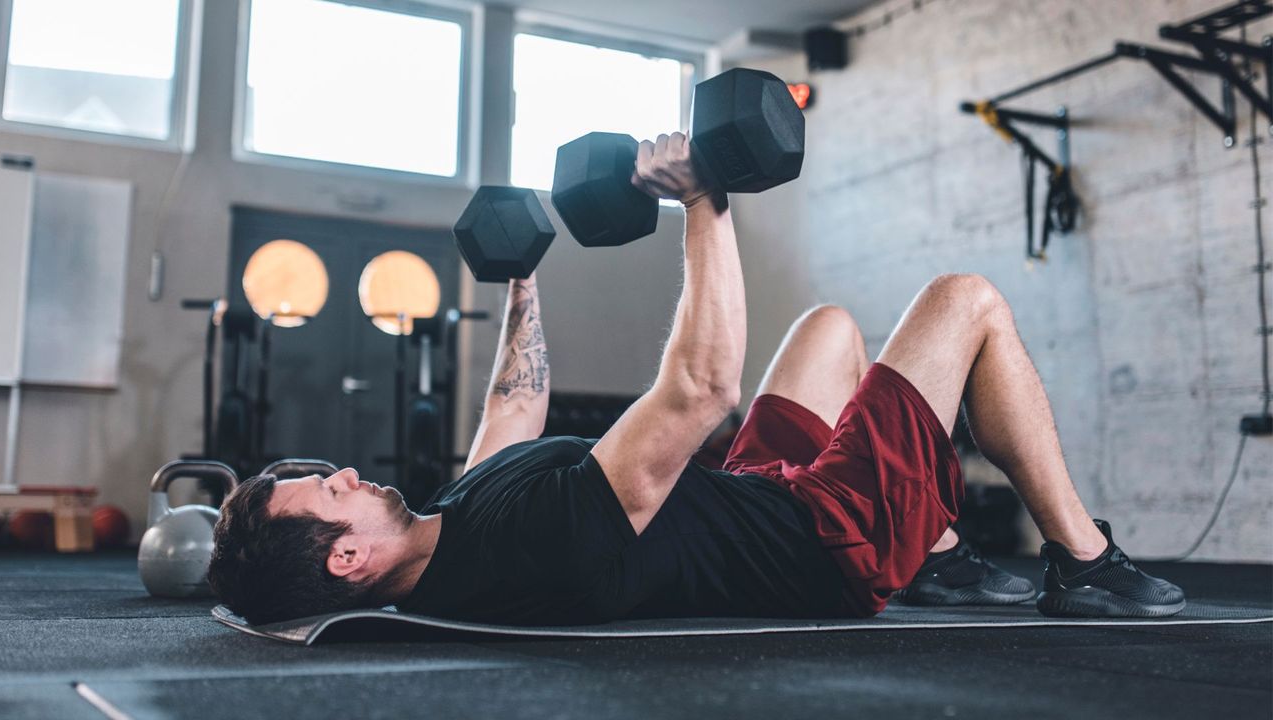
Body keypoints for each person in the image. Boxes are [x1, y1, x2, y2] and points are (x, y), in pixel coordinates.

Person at [207, 133, 1184, 626]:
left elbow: (513, 411)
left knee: (828, 328)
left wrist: (519, 279)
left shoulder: (450, 521)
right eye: (326, 492)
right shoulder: (528, 544)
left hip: (756, 495)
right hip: (825, 541)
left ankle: (934, 549)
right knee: (963, 300)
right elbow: (701, 387)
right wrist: (702, 201)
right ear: (345, 561)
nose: (342, 472)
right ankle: (1083, 562)